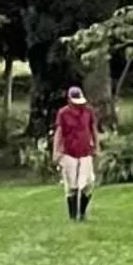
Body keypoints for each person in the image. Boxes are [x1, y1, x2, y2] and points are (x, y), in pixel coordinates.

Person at [52, 84, 100, 222]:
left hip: (85, 152)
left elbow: (93, 129)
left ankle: (82, 213)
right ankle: (73, 216)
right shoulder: (63, 113)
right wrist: (56, 151)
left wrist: (97, 146)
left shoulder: (88, 112)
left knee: (89, 183)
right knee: (71, 185)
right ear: (69, 100)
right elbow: (59, 133)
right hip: (69, 153)